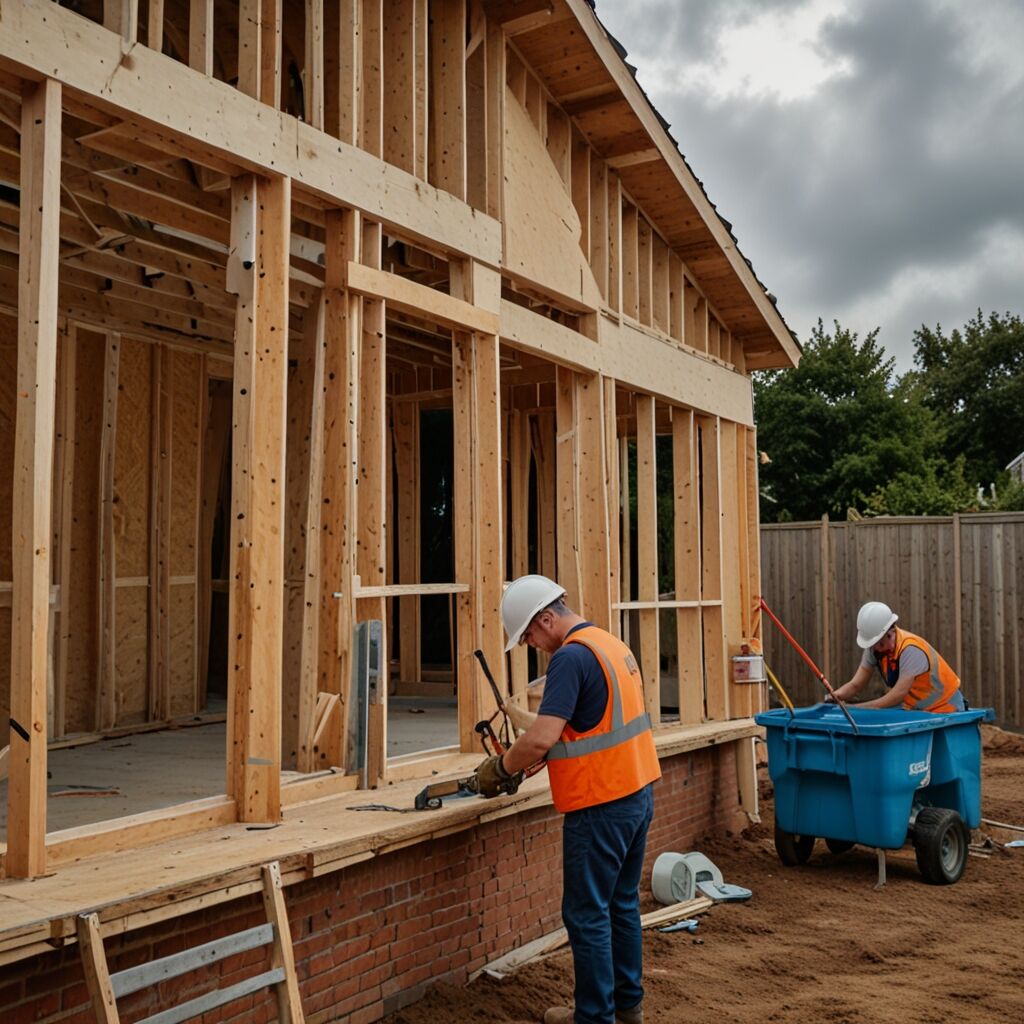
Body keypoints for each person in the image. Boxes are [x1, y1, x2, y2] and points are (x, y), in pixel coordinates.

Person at [474, 575, 661, 1024]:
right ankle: (627, 1008)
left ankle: (595, 1017)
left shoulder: (569, 658)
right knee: (621, 905)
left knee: (586, 914)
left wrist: (498, 769)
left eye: (529, 635)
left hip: (599, 805)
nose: (532, 645)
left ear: (546, 618)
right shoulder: (608, 644)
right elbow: (582, 726)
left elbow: (541, 740)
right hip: (636, 793)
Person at [828, 601, 965, 712]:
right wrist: (835, 696)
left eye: (879, 643)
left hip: (947, 709)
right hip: (918, 711)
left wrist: (857, 709)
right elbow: (855, 685)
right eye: (872, 643)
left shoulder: (911, 650)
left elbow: (897, 695)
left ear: (891, 633)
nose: (874, 648)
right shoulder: (873, 649)